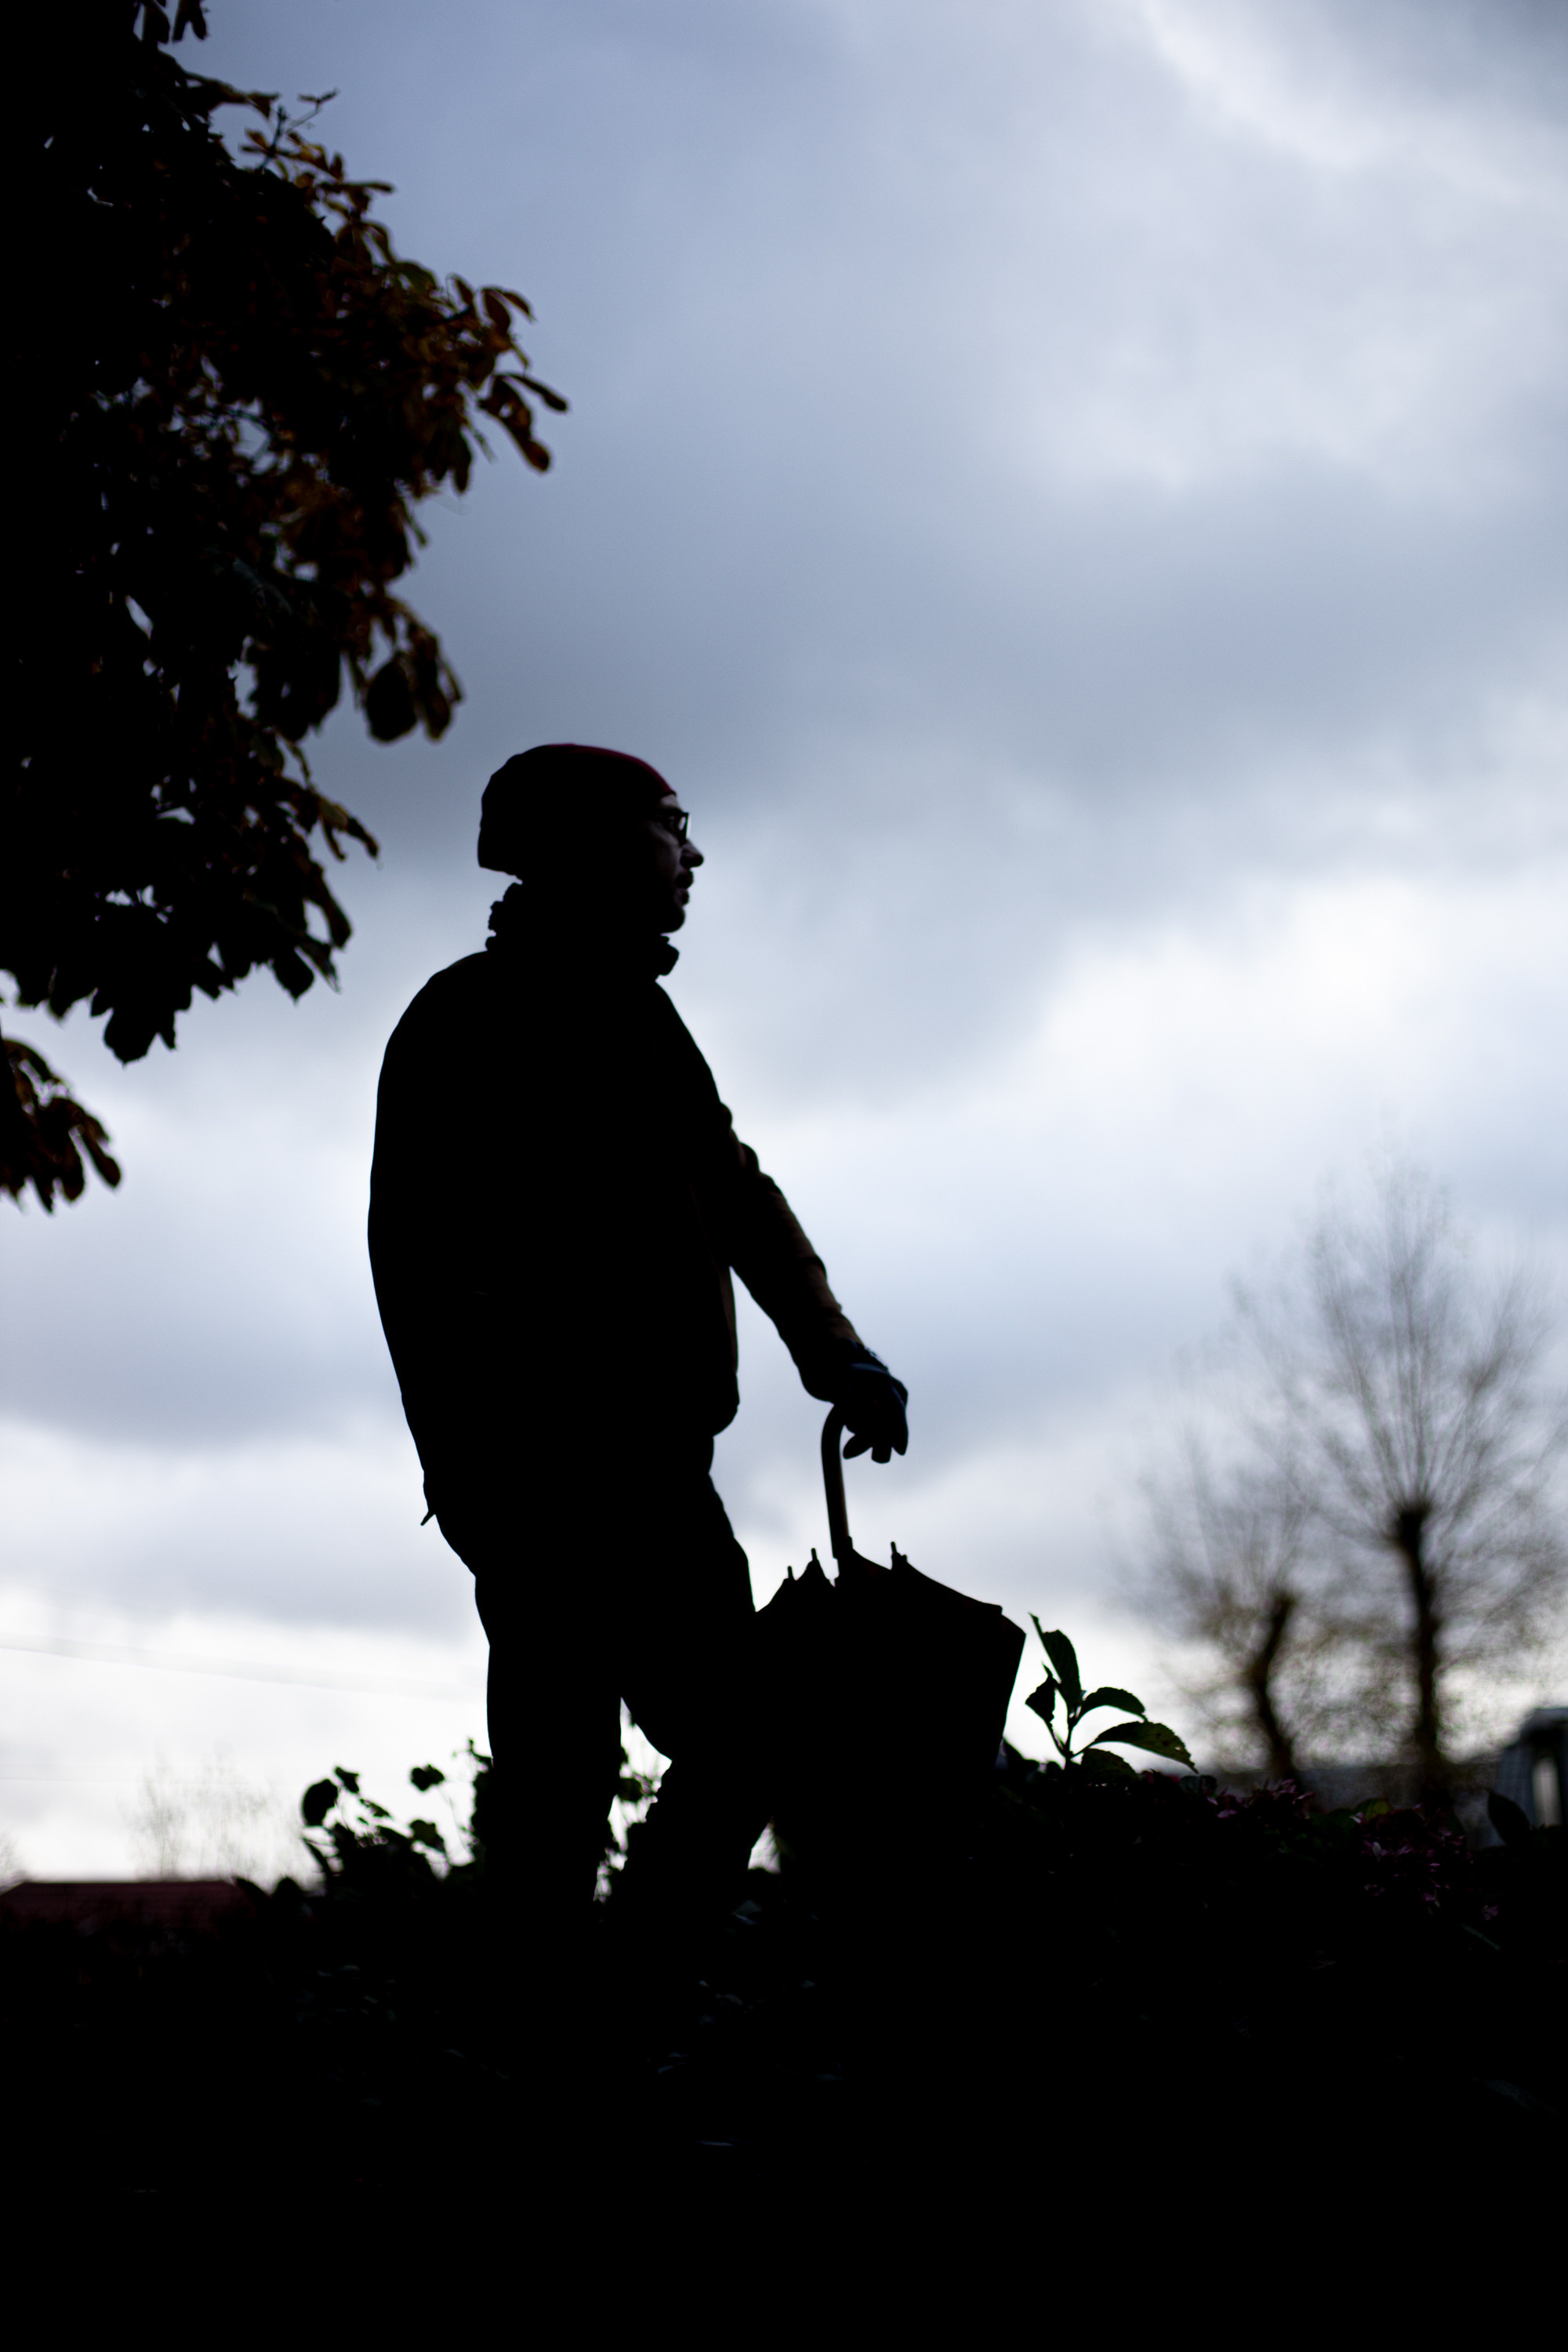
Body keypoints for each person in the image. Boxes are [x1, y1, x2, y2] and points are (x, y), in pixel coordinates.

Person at [368, 742, 907, 1980]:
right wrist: (492, 1464)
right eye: (674, 826)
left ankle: (614, 2006)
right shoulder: (468, 1020)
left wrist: (836, 1350)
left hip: (654, 1470)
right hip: (548, 1476)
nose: (694, 855)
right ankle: (576, 2027)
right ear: (599, 848)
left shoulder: (642, 1018)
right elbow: (428, 1268)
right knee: (582, 1769)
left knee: (715, 1744)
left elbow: (736, 1193)